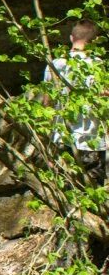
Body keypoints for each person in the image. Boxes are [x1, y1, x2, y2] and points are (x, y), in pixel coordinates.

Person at [47, 19, 106, 183]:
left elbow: (47, 102)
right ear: (93, 42)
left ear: (71, 38)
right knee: (95, 193)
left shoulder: (56, 64)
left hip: (62, 137)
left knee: (65, 188)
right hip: (91, 140)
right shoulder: (96, 64)